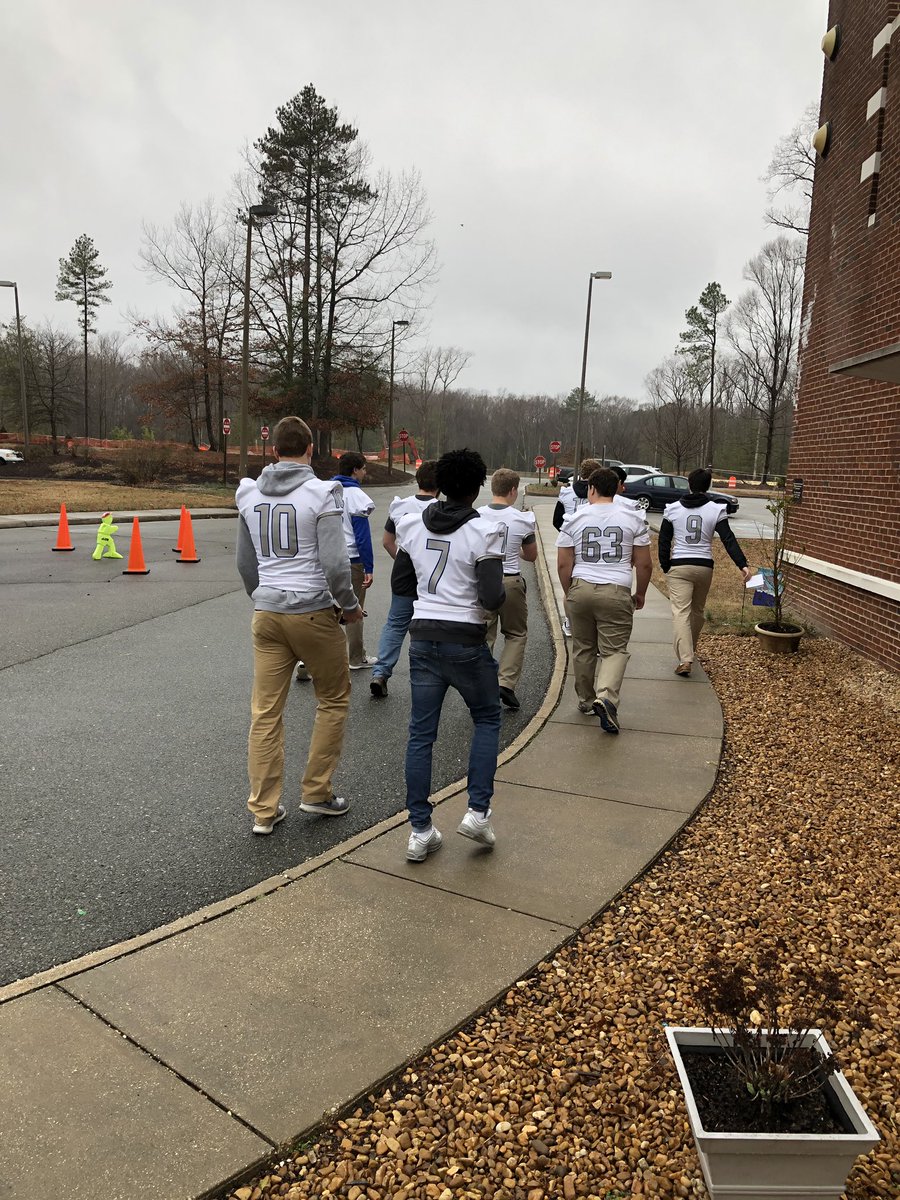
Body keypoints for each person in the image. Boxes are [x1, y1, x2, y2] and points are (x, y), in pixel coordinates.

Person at [236, 416, 361, 834]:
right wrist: (350, 607)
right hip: (312, 611)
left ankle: (264, 810)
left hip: (267, 612)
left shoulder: (249, 494)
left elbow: (245, 563)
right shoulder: (322, 493)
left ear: (273, 451)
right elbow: (334, 563)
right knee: (332, 700)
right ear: (310, 449)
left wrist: (263, 596)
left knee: (266, 713)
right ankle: (317, 792)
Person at [393, 448, 505, 863]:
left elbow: (402, 584)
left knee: (422, 734)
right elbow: (493, 596)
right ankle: (477, 811)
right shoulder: (484, 531)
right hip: (466, 639)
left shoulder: (410, 523)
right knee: (488, 717)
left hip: (423, 637)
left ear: (438, 483)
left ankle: (420, 830)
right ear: (478, 487)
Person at [556, 466, 652, 735]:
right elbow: (644, 564)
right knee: (614, 650)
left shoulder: (574, 518)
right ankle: (606, 696)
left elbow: (564, 563)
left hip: (581, 586)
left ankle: (586, 700)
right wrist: (641, 593)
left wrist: (569, 591)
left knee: (584, 647)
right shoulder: (633, 518)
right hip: (616, 587)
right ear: (618, 488)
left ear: (591, 488)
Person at [658, 466, 752, 676]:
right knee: (697, 611)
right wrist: (742, 564)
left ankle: (685, 657)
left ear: (689, 485)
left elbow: (664, 541)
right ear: (708, 486)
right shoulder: (716, 509)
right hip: (704, 565)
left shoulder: (672, 509)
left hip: (680, 564)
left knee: (681, 612)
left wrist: (666, 565)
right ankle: (689, 651)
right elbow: (728, 539)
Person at [370, 460, 440, 698]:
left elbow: (387, 541)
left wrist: (401, 558)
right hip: (432, 574)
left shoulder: (400, 507)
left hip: (404, 570)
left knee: (396, 623)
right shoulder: (443, 509)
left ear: (418, 480)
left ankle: (381, 672)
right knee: (431, 625)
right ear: (439, 485)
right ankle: (430, 674)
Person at [477, 468, 537, 710]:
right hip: (511, 580)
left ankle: (482, 683)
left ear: (493, 489)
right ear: (513, 490)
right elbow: (531, 556)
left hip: (483, 581)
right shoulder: (522, 519)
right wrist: (516, 551)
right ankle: (506, 682)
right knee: (515, 634)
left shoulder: (476, 516)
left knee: (484, 634)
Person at [333, 452, 376, 670]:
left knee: (325, 609)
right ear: (355, 470)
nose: (365, 472)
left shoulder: (326, 491)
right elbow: (362, 536)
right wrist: (369, 566)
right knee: (354, 608)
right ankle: (356, 657)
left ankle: (308, 659)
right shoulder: (357, 496)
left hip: (328, 558)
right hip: (352, 558)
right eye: (364, 468)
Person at [552, 457, 601, 636]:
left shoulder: (566, 493)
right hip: (592, 545)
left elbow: (556, 520)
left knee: (570, 588)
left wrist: (567, 534)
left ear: (581, 473)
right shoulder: (599, 493)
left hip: (569, 544)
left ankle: (570, 623)